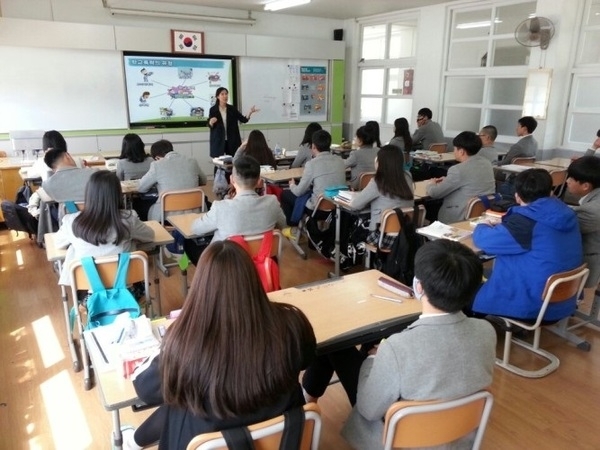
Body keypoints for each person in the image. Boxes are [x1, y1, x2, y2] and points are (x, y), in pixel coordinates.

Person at [125, 240, 316, 450]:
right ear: (252, 279)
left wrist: (163, 346)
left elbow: (145, 389)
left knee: (180, 403)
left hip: (210, 435)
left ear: (201, 287)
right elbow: (306, 360)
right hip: (284, 440)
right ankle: (134, 441)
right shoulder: (292, 322)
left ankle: (132, 442)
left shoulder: (182, 342)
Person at [340, 239, 496, 450]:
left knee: (339, 350)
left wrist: (372, 359)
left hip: (403, 442)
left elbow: (369, 410)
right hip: (460, 438)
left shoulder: (397, 348)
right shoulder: (486, 331)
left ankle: (308, 405)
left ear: (418, 286)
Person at [472, 169, 583, 321]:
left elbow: (484, 241)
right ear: (550, 191)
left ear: (517, 196)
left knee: (463, 288)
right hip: (562, 298)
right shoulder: (565, 212)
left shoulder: (525, 223)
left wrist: (483, 225)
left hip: (531, 301)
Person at [53, 170, 154, 286]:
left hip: (88, 294)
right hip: (126, 291)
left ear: (88, 194)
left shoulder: (71, 221)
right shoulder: (128, 219)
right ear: (118, 194)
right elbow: (150, 236)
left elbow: (57, 243)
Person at [184, 156, 286, 265]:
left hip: (227, 265)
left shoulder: (221, 207)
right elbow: (282, 224)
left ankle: (200, 276)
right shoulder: (272, 203)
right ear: (260, 181)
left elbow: (196, 228)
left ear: (232, 180)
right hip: (262, 262)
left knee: (188, 242)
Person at [346, 145, 414, 247]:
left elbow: (354, 205)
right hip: (406, 234)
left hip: (383, 236)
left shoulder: (378, 181)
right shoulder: (408, 176)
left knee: (352, 227)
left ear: (380, 162)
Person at [280, 130, 346, 228]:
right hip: (338, 208)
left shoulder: (311, 164)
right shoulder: (340, 161)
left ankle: (293, 228)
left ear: (313, 146)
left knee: (285, 195)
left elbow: (298, 192)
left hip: (318, 209)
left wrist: (292, 185)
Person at [425, 131, 495, 223]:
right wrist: (448, 180)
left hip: (459, 215)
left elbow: (434, 193)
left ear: (461, 151)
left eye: (454, 149)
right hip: (481, 214)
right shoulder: (487, 163)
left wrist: (431, 184)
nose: (453, 152)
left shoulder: (457, 170)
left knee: (427, 206)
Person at [137, 139, 207, 222]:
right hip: (195, 211)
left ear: (157, 158)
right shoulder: (192, 161)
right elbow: (204, 181)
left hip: (167, 216)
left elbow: (141, 188)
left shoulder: (157, 165)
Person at [566, 156, 600, 288]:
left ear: (586, 186)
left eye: (571, 178)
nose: (567, 181)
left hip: (587, 263)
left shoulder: (591, 211)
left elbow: (563, 227)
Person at [208, 87, 259, 158]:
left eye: (226, 94)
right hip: (219, 141)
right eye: (222, 94)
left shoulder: (232, 109)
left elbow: (243, 120)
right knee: (218, 164)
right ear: (217, 96)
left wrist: (250, 112)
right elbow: (210, 125)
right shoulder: (213, 110)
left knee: (234, 161)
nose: (225, 96)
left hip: (232, 140)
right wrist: (211, 122)